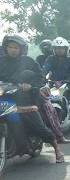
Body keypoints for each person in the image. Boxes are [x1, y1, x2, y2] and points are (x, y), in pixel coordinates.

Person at [0, 34, 64, 163]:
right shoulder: (1, 61)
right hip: (4, 98)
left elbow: (39, 77)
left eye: (16, 47)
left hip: (24, 98)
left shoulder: (28, 62)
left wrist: (29, 85)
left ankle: (57, 149)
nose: (13, 50)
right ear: (6, 47)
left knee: (38, 126)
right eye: (10, 47)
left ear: (21, 49)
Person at [42, 37, 70, 122]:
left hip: (68, 83)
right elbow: (45, 69)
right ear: (54, 49)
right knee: (39, 95)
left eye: (61, 48)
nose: (59, 50)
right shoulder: (50, 59)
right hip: (53, 84)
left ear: (65, 49)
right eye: (57, 48)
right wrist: (43, 76)